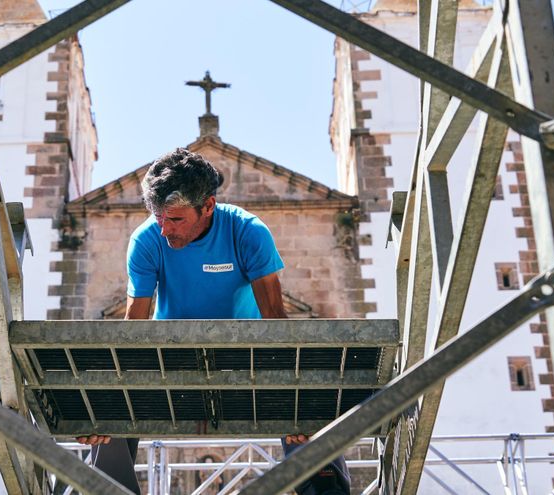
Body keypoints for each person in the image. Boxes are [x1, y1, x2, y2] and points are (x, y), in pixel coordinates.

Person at [78, 148, 350, 494]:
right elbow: (133, 330)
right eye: (158, 217)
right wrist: (108, 409)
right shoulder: (146, 241)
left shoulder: (248, 232)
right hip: (174, 362)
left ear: (208, 206)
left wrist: (299, 407)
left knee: (310, 408)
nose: (164, 230)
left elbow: (279, 323)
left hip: (247, 360)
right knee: (113, 409)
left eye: (175, 219)